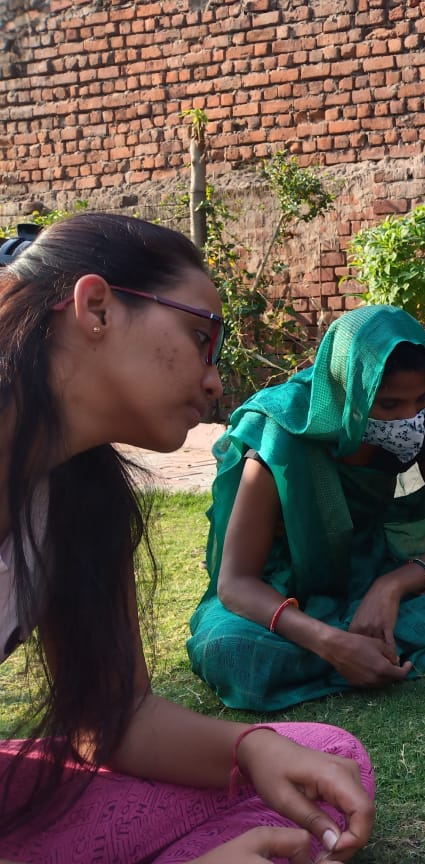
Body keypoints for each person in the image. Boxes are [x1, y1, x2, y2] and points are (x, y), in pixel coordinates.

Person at [0, 213, 373, 862]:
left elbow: (113, 716)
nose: (214, 381)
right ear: (96, 308)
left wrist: (249, 749)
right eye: (202, 338)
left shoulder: (79, 500)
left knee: (323, 762)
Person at [187, 304, 425, 712]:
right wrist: (331, 644)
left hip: (368, 579)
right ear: (347, 389)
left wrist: (391, 587)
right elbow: (236, 585)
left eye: (422, 400)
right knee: (227, 650)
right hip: (283, 596)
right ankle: (364, 656)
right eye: (389, 405)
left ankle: (357, 655)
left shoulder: (419, 426)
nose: (408, 418)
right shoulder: (282, 434)